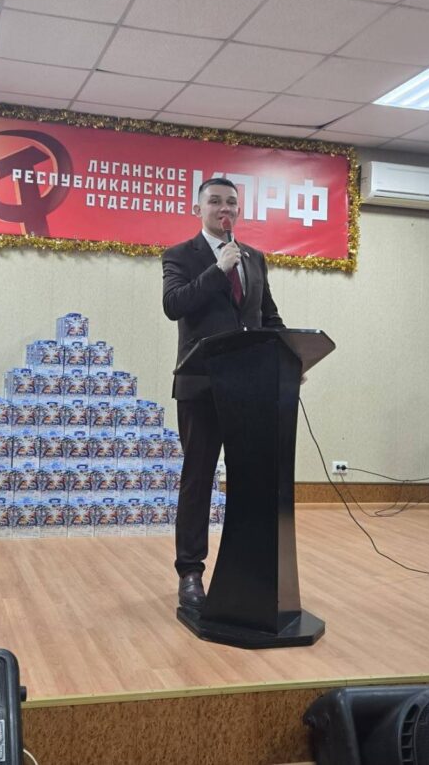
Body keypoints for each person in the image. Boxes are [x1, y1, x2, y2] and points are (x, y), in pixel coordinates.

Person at [161, 177, 285, 608]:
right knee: (198, 480)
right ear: (198, 209)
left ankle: (245, 565)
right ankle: (190, 572)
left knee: (250, 478)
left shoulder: (255, 259)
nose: (224, 208)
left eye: (231, 202)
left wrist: (289, 356)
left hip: (248, 388)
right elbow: (174, 305)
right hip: (200, 387)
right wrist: (218, 270)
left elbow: (268, 317)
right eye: (215, 201)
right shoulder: (180, 255)